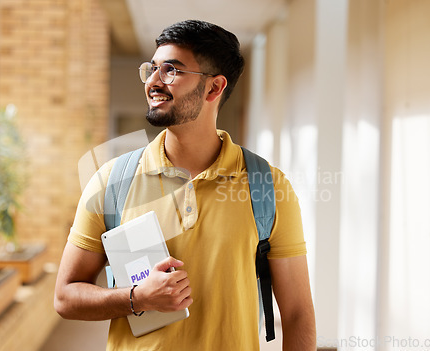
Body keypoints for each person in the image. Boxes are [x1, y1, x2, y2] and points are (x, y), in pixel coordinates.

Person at [55, 20, 316, 350]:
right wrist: (138, 298)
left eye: (171, 71)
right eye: (152, 69)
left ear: (213, 88)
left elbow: (297, 315)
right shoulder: (112, 181)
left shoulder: (268, 187)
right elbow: (65, 296)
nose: (153, 82)